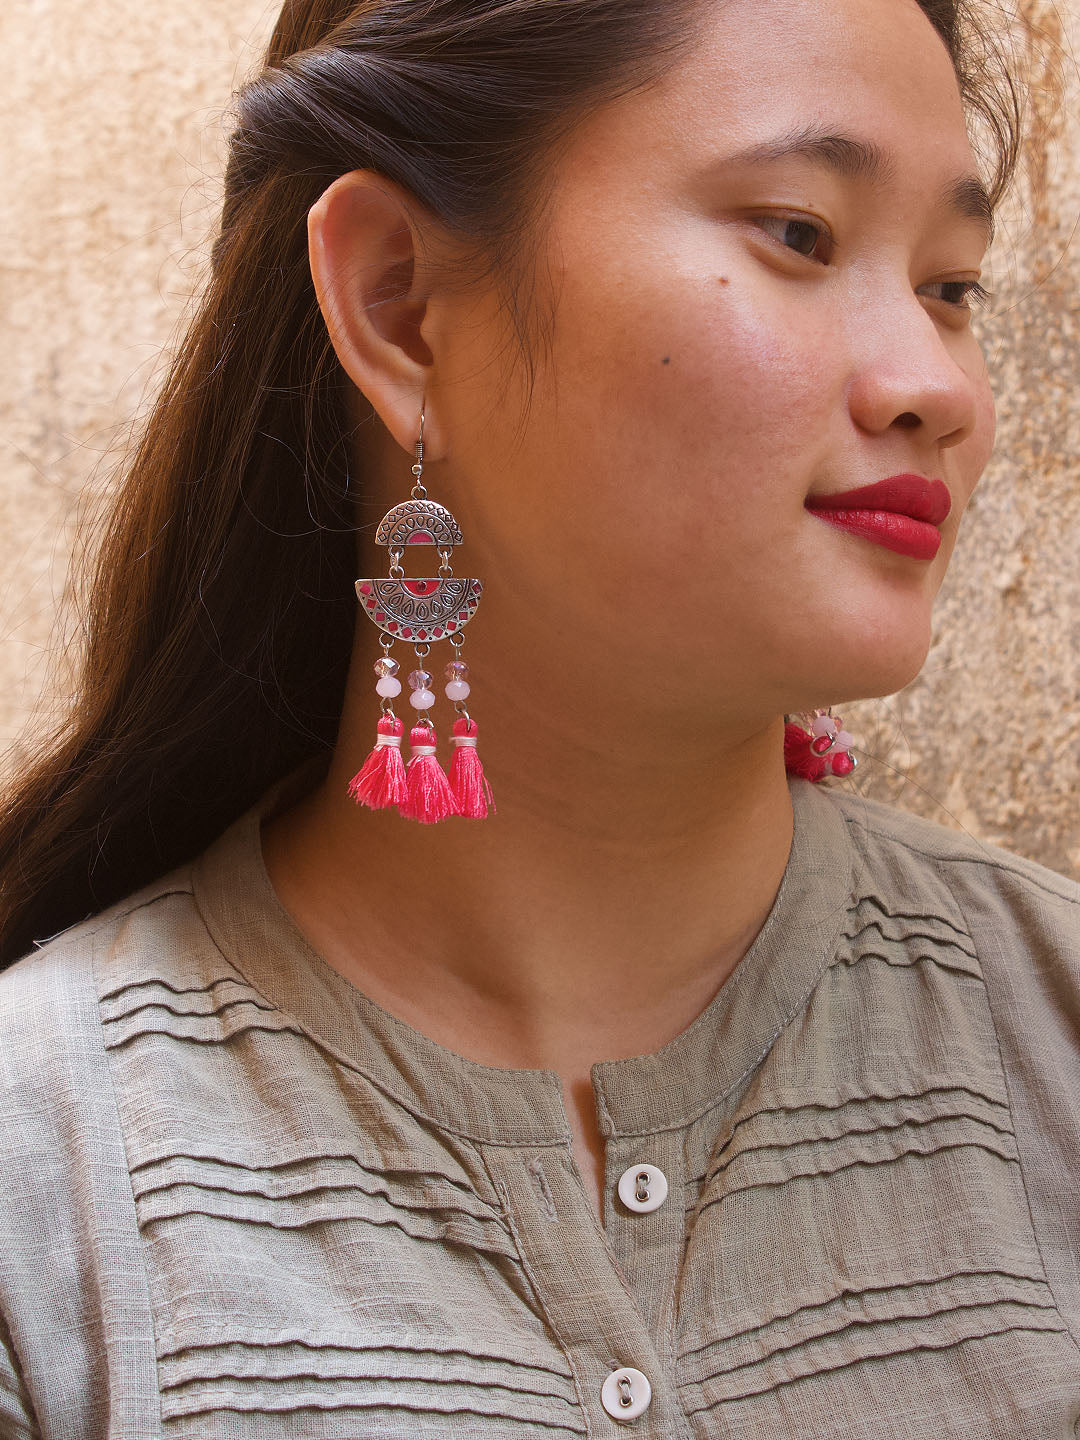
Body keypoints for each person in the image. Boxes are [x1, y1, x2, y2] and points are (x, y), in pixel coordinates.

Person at [0, 0, 1077, 1433]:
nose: (938, 387)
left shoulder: (1053, 1027)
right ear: (401, 304)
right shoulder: (44, 1180)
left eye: (952, 286)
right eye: (800, 233)